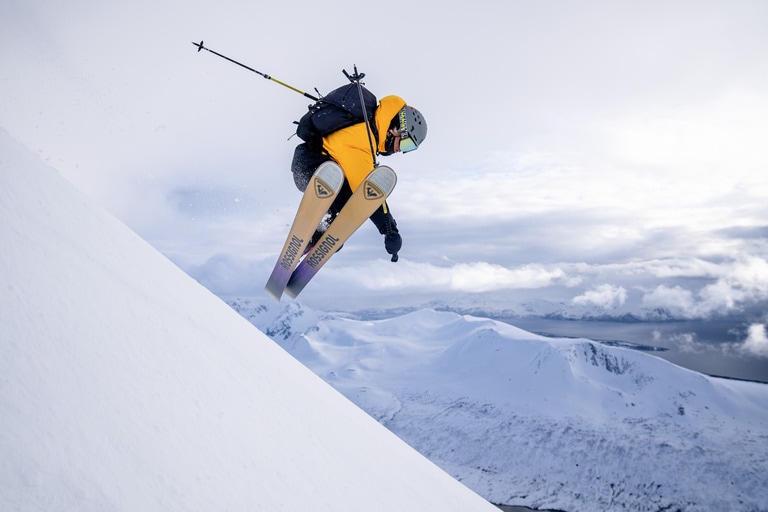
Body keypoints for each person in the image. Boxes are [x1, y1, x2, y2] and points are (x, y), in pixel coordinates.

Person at [291, 93, 427, 262]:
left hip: (312, 166)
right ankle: (315, 233)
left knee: (336, 230)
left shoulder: (366, 133)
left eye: (410, 148)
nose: (401, 150)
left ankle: (317, 234)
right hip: (314, 167)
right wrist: (390, 229)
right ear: (395, 129)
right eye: (406, 143)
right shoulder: (363, 138)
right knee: (352, 203)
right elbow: (369, 192)